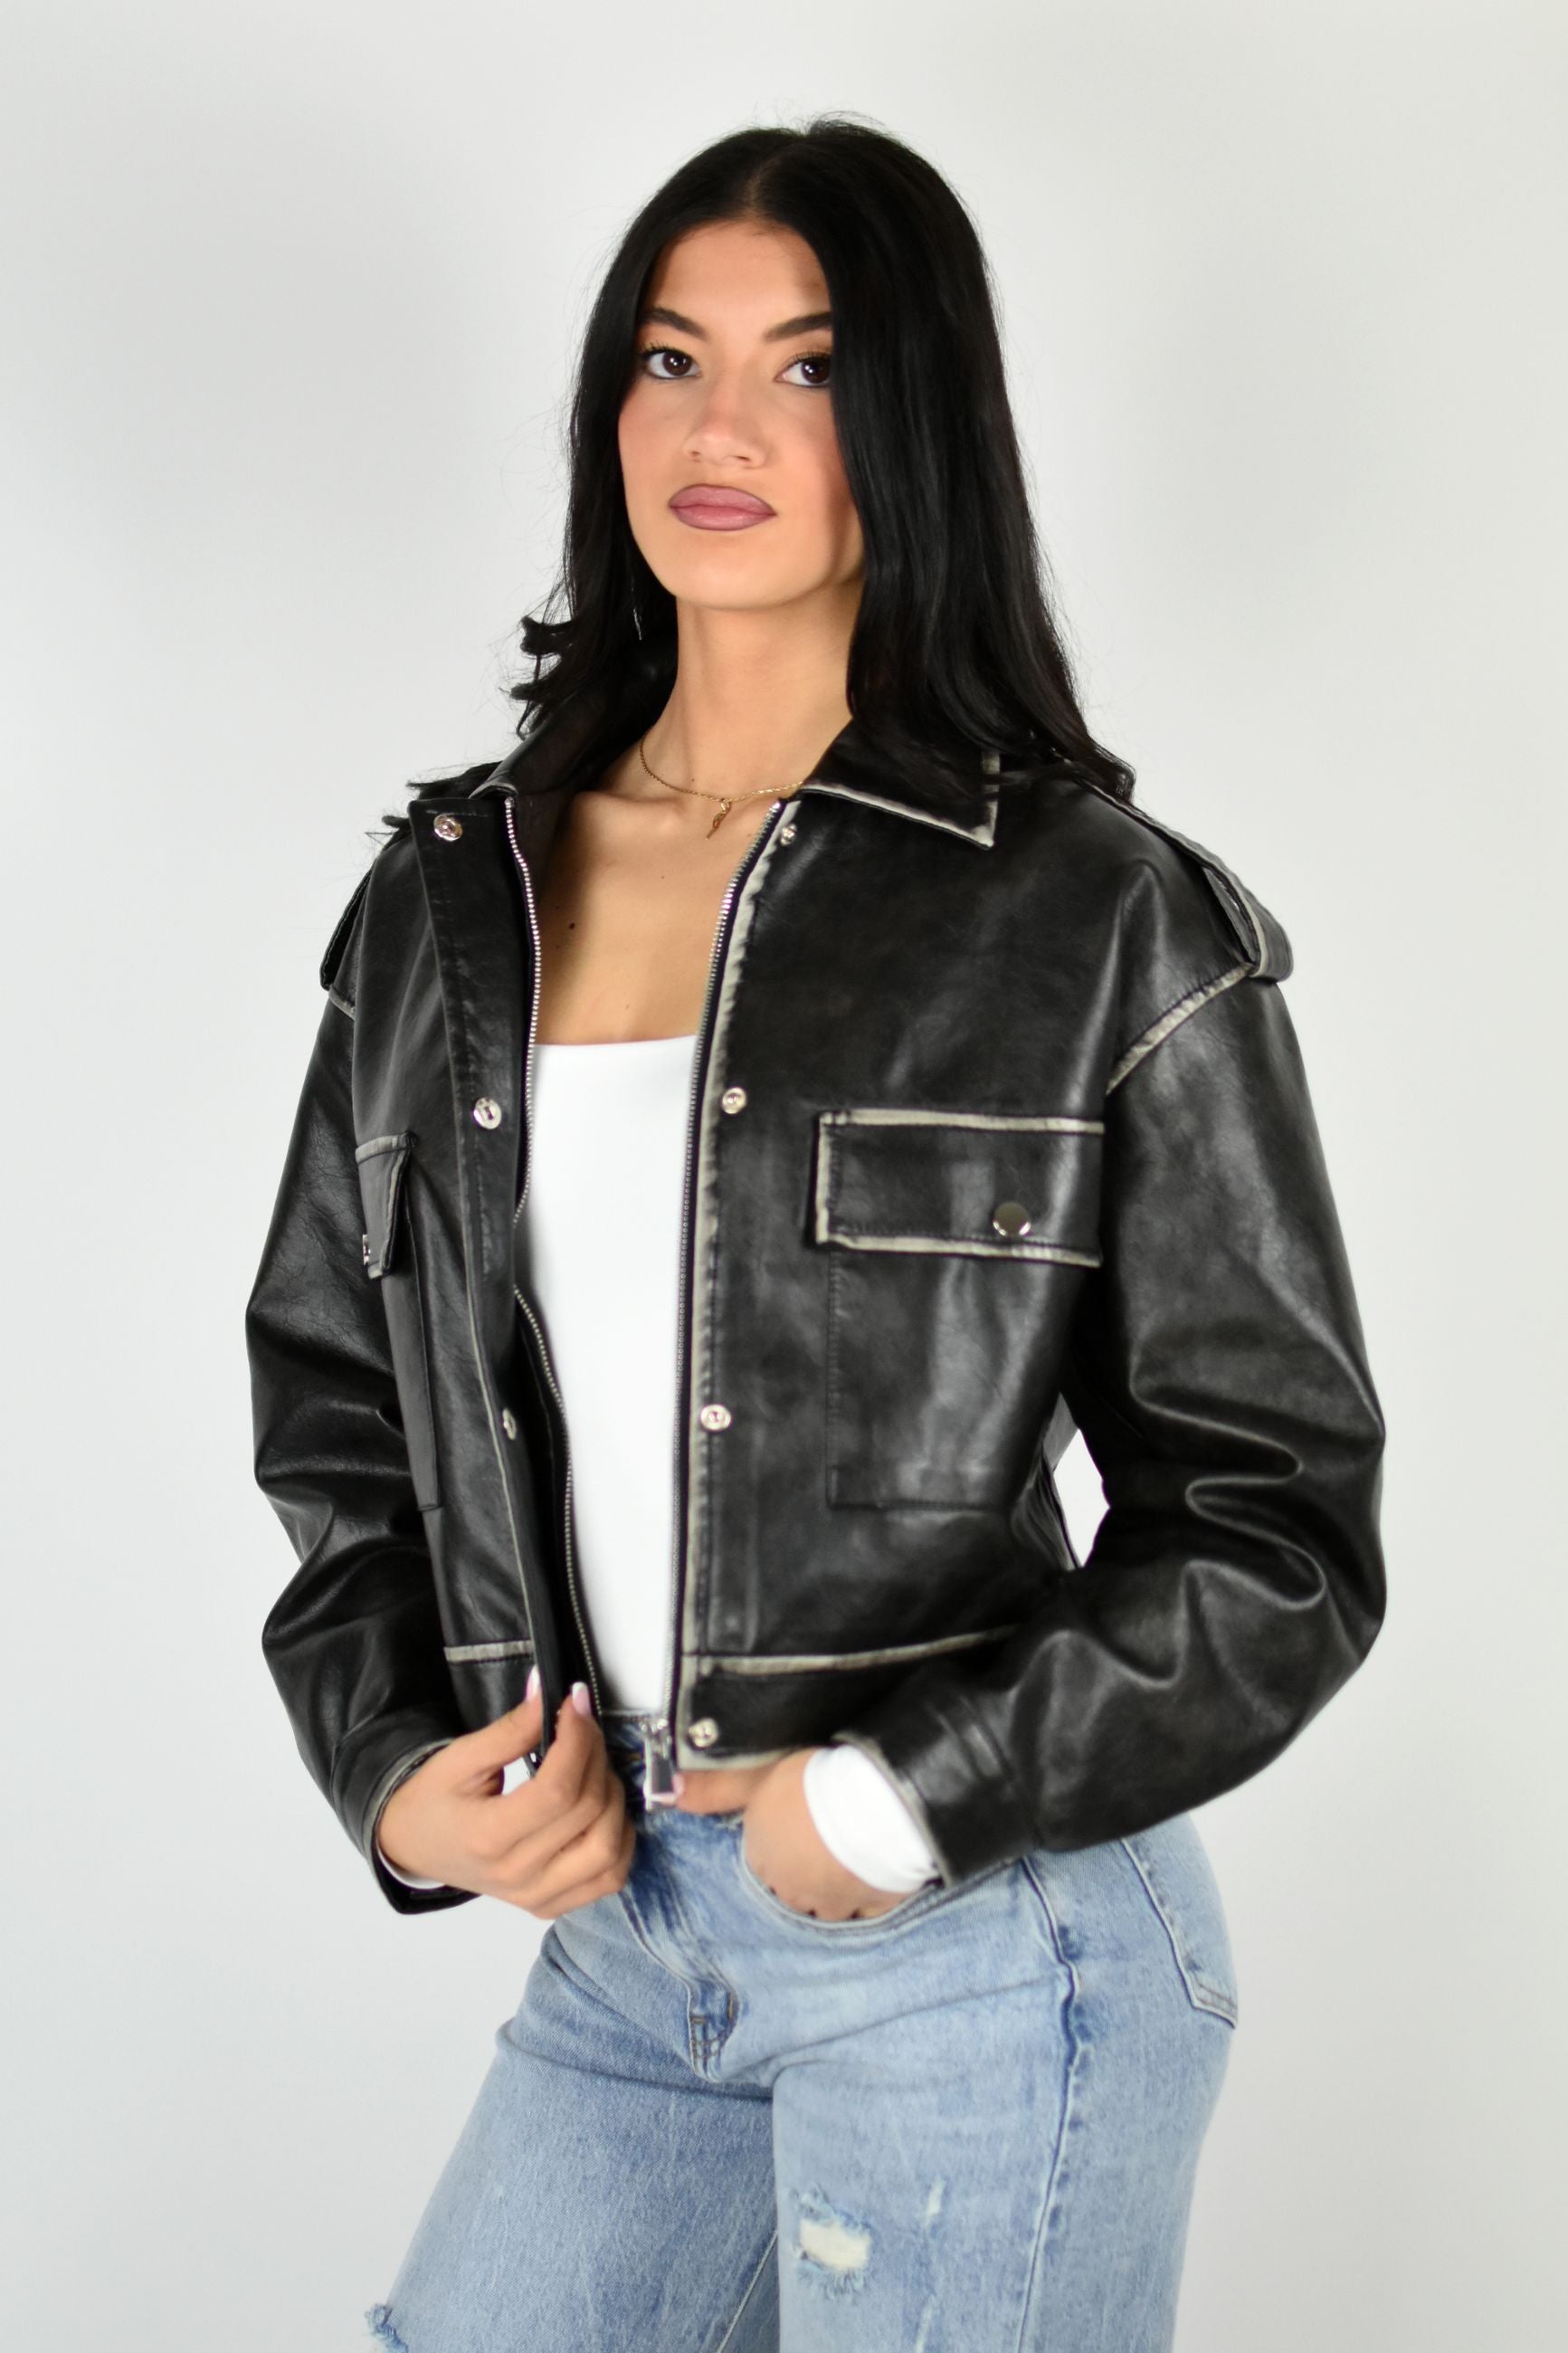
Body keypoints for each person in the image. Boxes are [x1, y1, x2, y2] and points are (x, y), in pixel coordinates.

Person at [245, 117, 1385, 2353]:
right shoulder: (451, 905)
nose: (723, 428)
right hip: (623, 1940)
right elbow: (340, 1411)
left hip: (979, 1939)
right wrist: (397, 1771)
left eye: (811, 367)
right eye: (672, 359)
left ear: (918, 424)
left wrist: (891, 1802)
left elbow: (1278, 1526)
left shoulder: (1092, 916)